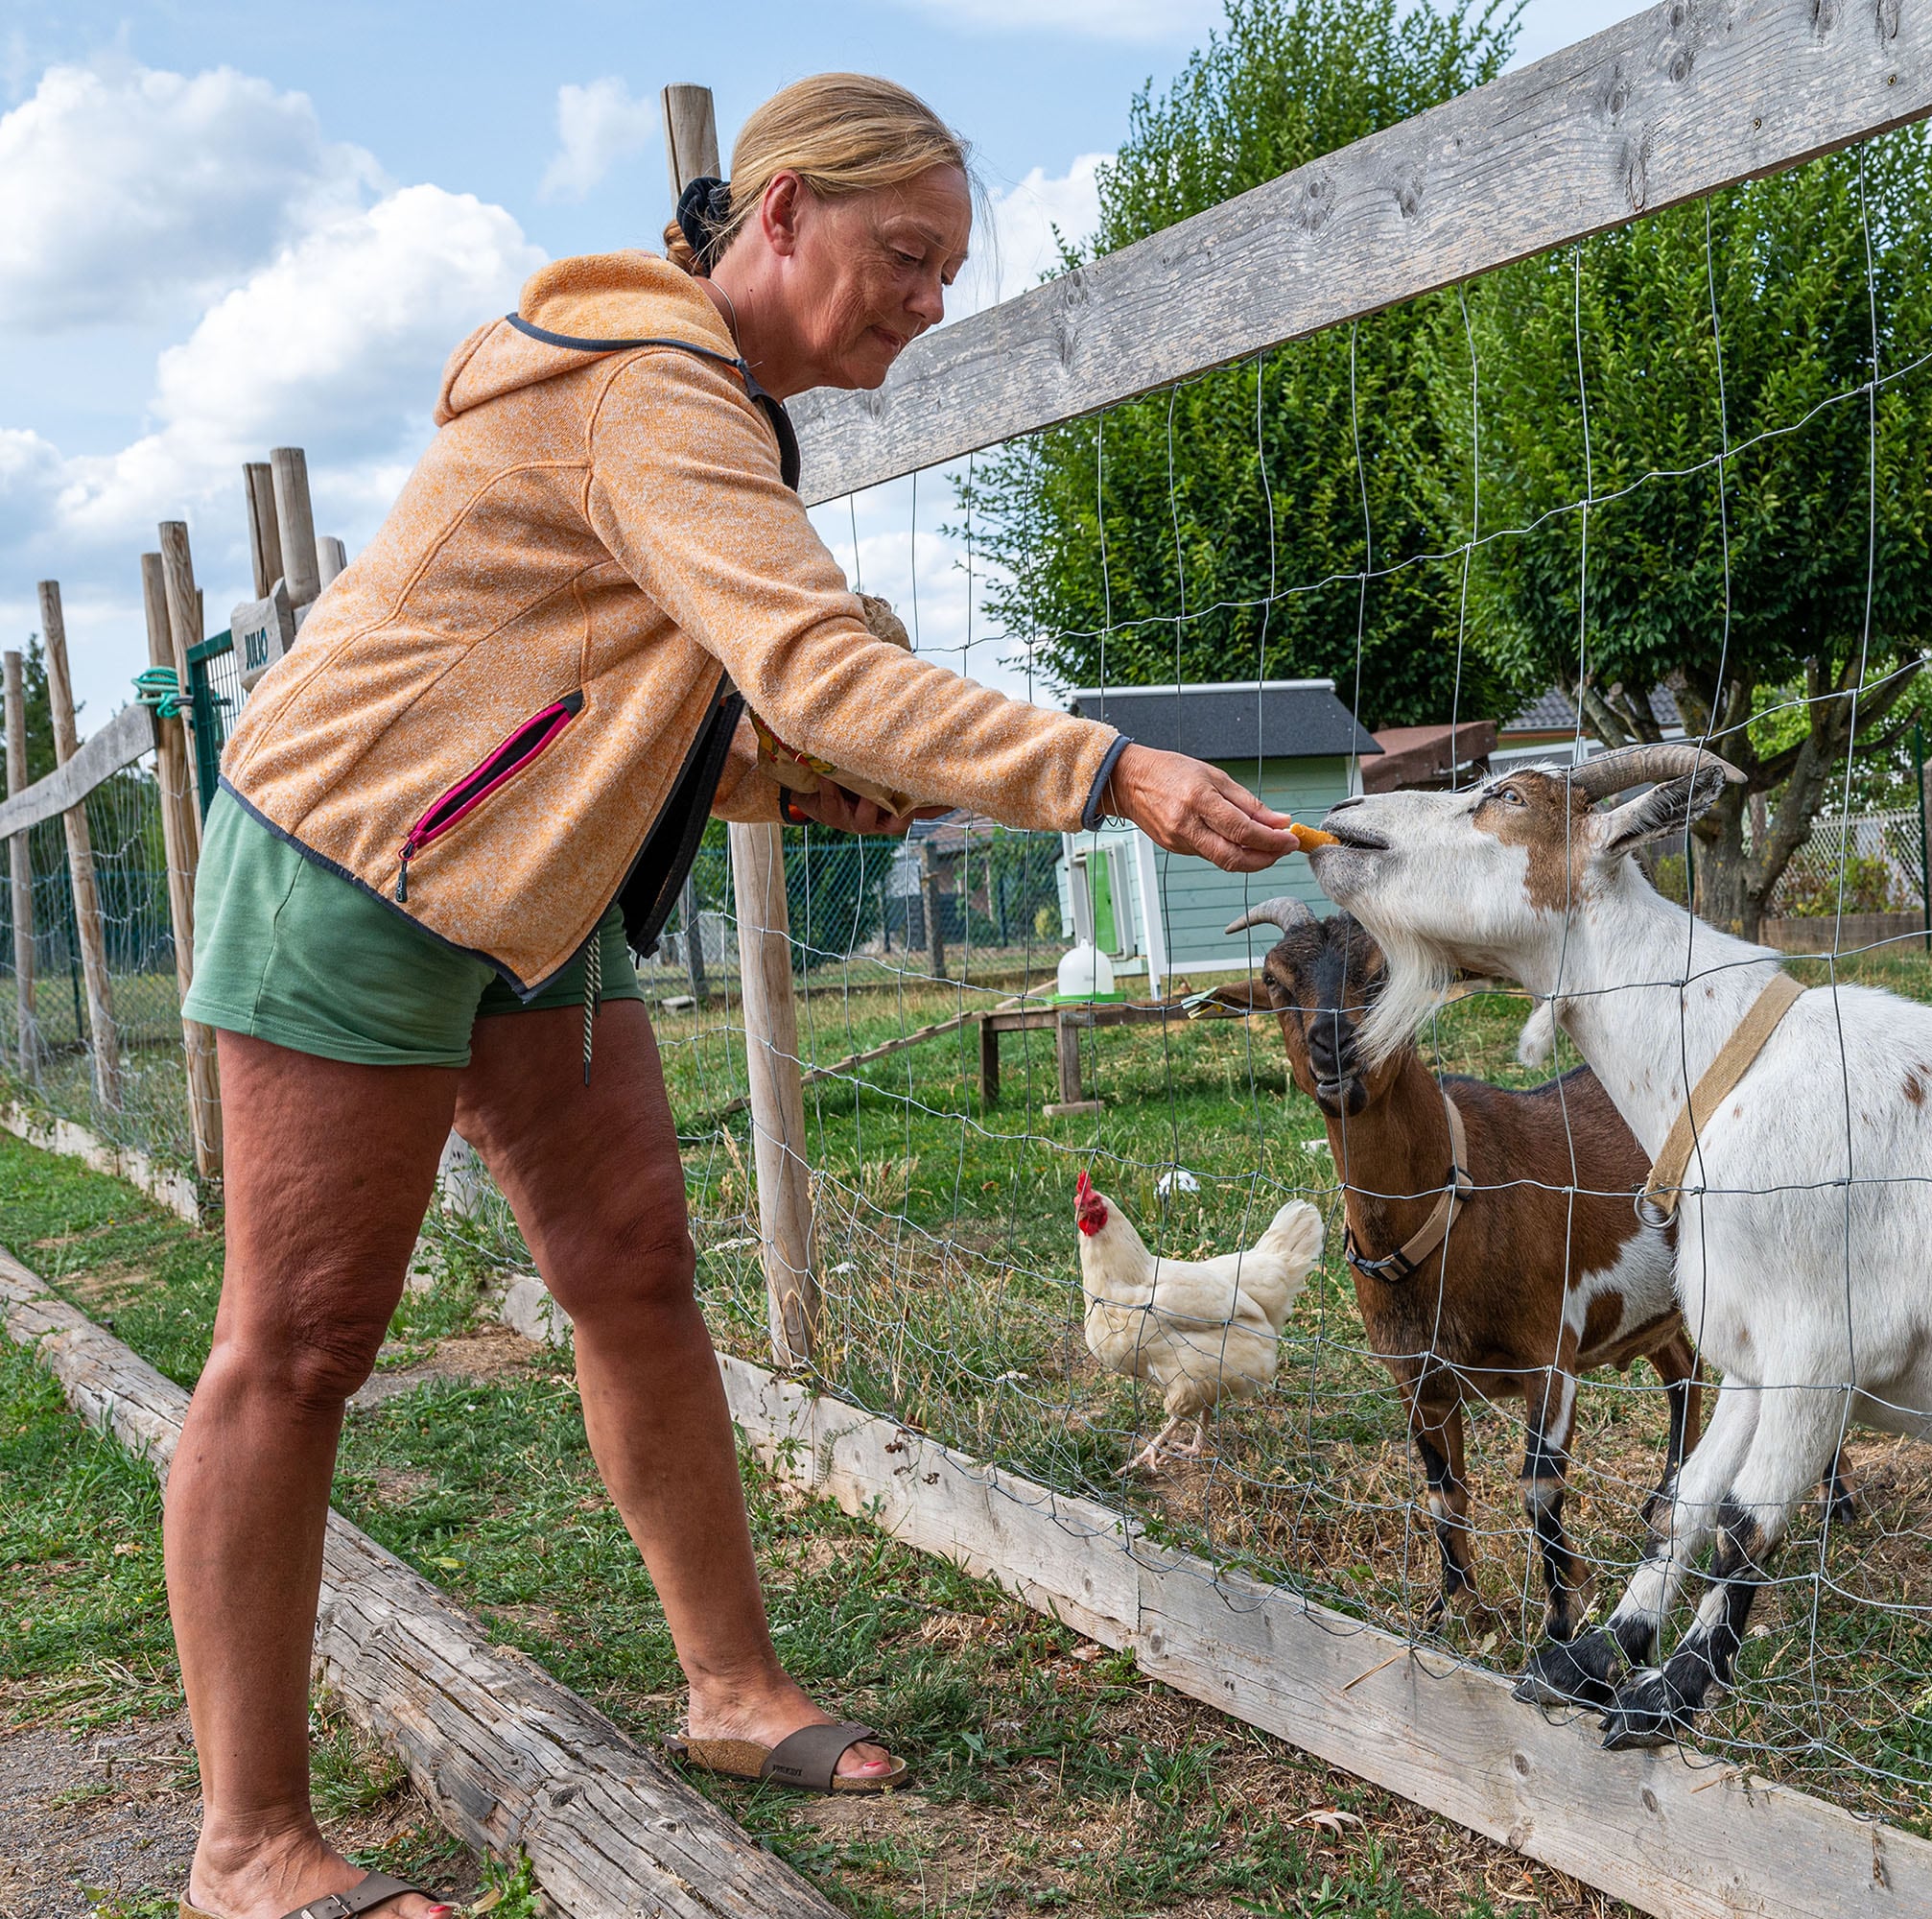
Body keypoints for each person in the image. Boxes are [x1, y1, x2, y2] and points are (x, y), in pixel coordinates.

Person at [167, 74, 1297, 1919]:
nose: (927, 301)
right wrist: (1111, 770)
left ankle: (729, 1686)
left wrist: (792, 773)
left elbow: (642, 686)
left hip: (528, 889)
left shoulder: (723, 413)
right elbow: (807, 657)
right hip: (355, 859)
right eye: (903, 255)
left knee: (633, 1266)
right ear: (778, 214)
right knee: (295, 1346)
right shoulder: (655, 380)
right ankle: (247, 1847)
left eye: (946, 270)